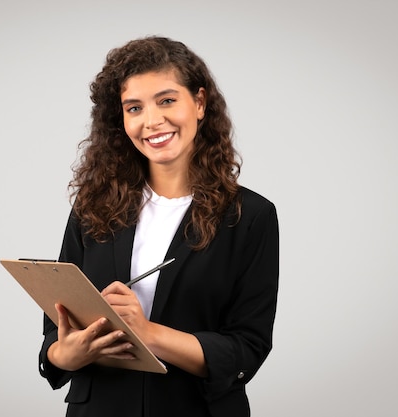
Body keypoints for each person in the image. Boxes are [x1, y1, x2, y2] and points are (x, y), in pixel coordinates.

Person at [38, 36, 279, 417]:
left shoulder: (250, 216)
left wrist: (149, 334)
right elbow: (55, 335)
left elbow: (247, 348)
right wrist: (67, 353)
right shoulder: (92, 206)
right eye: (134, 107)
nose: (152, 121)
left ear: (199, 103)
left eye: (167, 100)